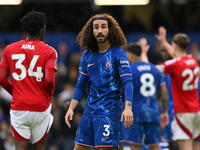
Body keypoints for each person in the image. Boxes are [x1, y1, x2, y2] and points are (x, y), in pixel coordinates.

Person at [65, 14, 134, 150]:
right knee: (78, 148)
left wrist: (128, 108)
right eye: (96, 27)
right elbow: (80, 85)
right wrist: (71, 108)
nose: (100, 30)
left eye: (103, 27)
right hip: (90, 111)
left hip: (110, 110)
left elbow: (128, 82)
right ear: (92, 31)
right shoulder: (87, 55)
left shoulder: (118, 53)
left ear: (110, 30)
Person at [0, 10, 57, 150]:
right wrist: (49, 94)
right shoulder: (49, 51)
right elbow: (49, 81)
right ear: (42, 30)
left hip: (19, 106)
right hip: (40, 106)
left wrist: (16, 92)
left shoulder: (9, 49)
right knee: (40, 147)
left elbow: (2, 78)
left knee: (20, 148)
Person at [153, 26, 200, 150]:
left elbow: (154, 70)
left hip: (183, 113)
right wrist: (163, 42)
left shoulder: (174, 64)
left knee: (185, 147)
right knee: (196, 146)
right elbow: (177, 56)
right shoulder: (192, 60)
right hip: (196, 111)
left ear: (174, 46)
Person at [120, 42, 169, 150]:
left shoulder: (129, 70)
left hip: (135, 114)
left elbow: (122, 90)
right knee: (154, 145)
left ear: (131, 55)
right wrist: (164, 111)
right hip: (153, 113)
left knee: (135, 145)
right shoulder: (154, 69)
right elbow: (164, 90)